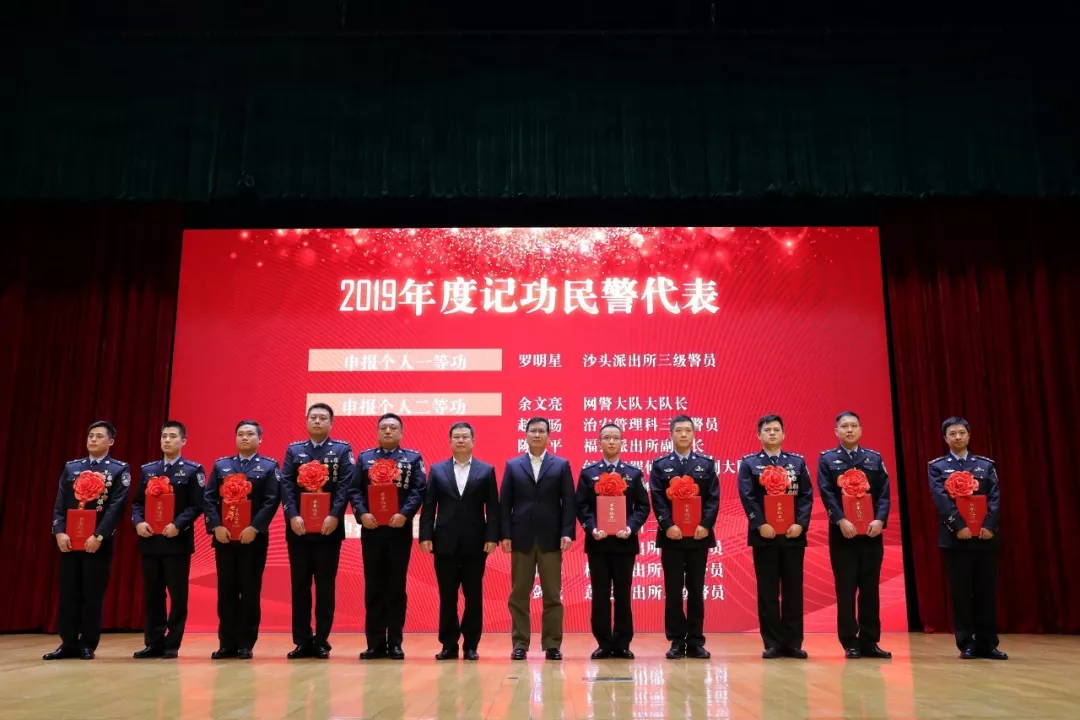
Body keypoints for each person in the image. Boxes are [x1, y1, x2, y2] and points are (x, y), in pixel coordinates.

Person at [44, 421, 131, 660]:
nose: (93, 439)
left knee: (92, 594)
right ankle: (67, 642)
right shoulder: (72, 467)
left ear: (110, 442)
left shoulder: (119, 469)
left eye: (99, 436)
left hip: (97, 542)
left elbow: (116, 508)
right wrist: (59, 531)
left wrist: (99, 535)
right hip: (70, 540)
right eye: (91, 435)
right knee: (68, 592)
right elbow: (60, 503)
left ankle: (87, 644)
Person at [279, 403, 355, 659]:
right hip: (298, 528)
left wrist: (335, 515)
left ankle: (322, 640)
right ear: (306, 421)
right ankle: (301, 641)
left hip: (328, 529)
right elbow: (286, 484)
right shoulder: (295, 450)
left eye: (323, 418)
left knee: (325, 586)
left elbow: (346, 485)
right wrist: (292, 514)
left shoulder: (342, 450)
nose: (318, 421)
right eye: (313, 417)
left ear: (331, 423)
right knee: (299, 586)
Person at [419, 421, 500, 661]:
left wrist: (492, 537)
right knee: (447, 596)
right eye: (456, 437)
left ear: (473, 441)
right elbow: (429, 507)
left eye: (465, 436)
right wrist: (426, 536)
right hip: (444, 542)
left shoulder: (486, 471)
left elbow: (493, 508)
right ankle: (449, 645)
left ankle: (471, 645)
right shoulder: (437, 470)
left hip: (476, 543)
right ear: (450, 441)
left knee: (473, 596)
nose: (461, 440)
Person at [928, 416, 1006, 660]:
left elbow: (995, 497)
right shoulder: (937, 467)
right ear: (945, 438)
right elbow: (941, 500)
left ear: (969, 435)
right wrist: (959, 526)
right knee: (961, 593)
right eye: (952, 433)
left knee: (986, 592)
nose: (958, 437)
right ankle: (966, 643)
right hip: (956, 539)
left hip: (985, 537)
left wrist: (989, 525)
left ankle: (988, 643)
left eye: (962, 432)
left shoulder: (985, 465)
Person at [350, 413, 427, 660]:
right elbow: (354, 490)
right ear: (377, 432)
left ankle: (395, 642)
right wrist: (362, 513)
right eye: (383, 427)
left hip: (398, 530)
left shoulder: (412, 458)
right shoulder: (365, 458)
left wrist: (404, 514)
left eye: (393, 428)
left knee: (396, 587)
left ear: (401, 432)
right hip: (371, 530)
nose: (388, 431)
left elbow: (419, 490)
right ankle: (374, 643)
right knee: (374, 587)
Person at [737, 414, 814, 659]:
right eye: (767, 430)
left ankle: (793, 643)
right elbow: (747, 496)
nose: (772, 433)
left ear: (783, 434)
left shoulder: (796, 463)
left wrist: (800, 524)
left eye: (776, 429)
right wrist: (760, 524)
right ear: (758, 435)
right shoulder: (749, 464)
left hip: (793, 535)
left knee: (793, 590)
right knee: (768, 591)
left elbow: (806, 496)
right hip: (765, 536)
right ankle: (772, 643)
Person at [816, 411, 892, 659]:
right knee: (846, 589)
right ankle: (850, 641)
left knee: (870, 589)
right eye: (844, 426)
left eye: (853, 426)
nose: (849, 430)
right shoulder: (827, 459)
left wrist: (880, 519)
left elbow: (884, 493)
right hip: (843, 534)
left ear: (860, 430)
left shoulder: (873, 458)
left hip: (871, 533)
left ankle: (870, 641)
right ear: (836, 432)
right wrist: (840, 520)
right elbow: (826, 493)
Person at [203, 420, 281, 660]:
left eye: (250, 434)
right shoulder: (222, 465)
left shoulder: (269, 466)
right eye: (240, 434)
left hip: (252, 540)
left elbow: (271, 500)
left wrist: (255, 528)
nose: (244, 438)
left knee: (249, 591)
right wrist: (216, 526)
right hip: (225, 539)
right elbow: (209, 498)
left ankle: (246, 643)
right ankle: (226, 643)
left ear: (260, 439)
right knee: (226, 592)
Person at [500, 417, 576, 660]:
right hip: (520, 538)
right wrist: (505, 534)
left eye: (541, 431)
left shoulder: (560, 465)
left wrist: (567, 532)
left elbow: (569, 501)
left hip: (550, 539)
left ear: (548, 435)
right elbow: (505, 503)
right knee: (519, 594)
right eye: (532, 430)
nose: (536, 434)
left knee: (552, 594)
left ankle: (552, 644)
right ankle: (520, 643)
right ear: (525, 434)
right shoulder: (513, 465)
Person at [131, 420, 205, 659]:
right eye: (164, 436)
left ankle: (172, 643)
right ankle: (153, 642)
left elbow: (196, 505)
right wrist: (138, 522)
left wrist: (178, 525)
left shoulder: (193, 470)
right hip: (151, 541)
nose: (167, 440)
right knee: (153, 595)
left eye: (172, 436)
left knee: (177, 595)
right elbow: (137, 503)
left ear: (183, 441)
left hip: (176, 542)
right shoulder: (148, 470)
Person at [576, 423, 650, 659]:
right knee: (600, 594)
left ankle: (622, 643)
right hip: (597, 543)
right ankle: (603, 643)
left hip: (624, 543)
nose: (611, 441)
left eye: (615, 438)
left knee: (622, 594)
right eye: (606, 437)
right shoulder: (589, 473)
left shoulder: (633, 473)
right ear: (599, 442)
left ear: (622, 442)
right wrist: (592, 528)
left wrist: (630, 527)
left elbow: (643, 506)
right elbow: (582, 506)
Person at [649, 414, 720, 660]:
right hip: (672, 537)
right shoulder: (661, 465)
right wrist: (667, 525)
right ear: (671, 435)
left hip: (699, 536)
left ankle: (697, 640)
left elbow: (713, 498)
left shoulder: (705, 464)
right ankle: (677, 641)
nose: (683, 434)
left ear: (693, 435)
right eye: (678, 430)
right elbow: (657, 497)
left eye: (687, 430)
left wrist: (705, 525)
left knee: (696, 589)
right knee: (674, 590)